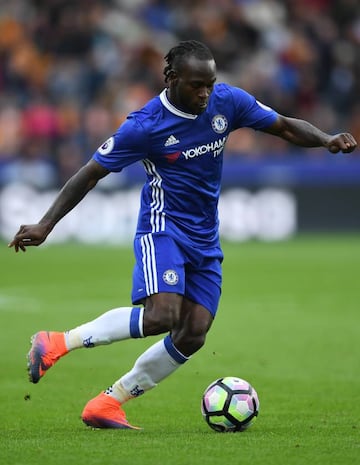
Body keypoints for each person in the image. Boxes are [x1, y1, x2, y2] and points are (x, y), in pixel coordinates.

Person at [9, 40, 357, 430]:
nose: (205, 93)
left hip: (206, 237)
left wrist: (326, 138)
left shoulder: (227, 101)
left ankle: (108, 403)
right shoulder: (144, 126)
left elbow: (285, 126)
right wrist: (46, 224)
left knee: (193, 332)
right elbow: (89, 173)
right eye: (196, 85)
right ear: (172, 79)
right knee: (162, 316)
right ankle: (56, 342)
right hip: (164, 229)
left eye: (210, 83)